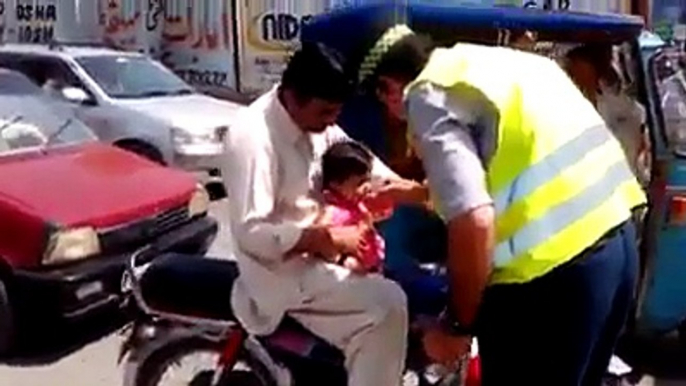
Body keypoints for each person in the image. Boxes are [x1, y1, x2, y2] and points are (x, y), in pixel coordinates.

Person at [337, 24, 646, 385]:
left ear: (388, 87)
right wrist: (413, 192)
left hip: (553, 279)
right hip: (616, 249)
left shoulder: (428, 94)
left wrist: (456, 325)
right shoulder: (508, 64)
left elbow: (475, 219)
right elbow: (513, 176)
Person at [221, 41, 428, 386]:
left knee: (417, 282)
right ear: (291, 96)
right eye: (325, 113)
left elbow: (360, 162)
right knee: (387, 305)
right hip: (282, 273)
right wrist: (321, 237)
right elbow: (251, 232)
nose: (331, 122)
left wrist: (414, 192)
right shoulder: (252, 138)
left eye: (336, 113)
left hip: (329, 257)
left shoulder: (319, 124)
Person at [563, 44, 650, 185]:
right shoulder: (563, 105)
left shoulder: (622, 109)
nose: (569, 76)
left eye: (573, 70)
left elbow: (637, 145)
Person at [317, 140, 386, 274]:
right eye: (359, 183)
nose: (366, 187)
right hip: (348, 269)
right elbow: (322, 236)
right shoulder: (333, 211)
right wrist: (341, 259)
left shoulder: (358, 204)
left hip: (372, 266)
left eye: (367, 180)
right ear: (335, 184)